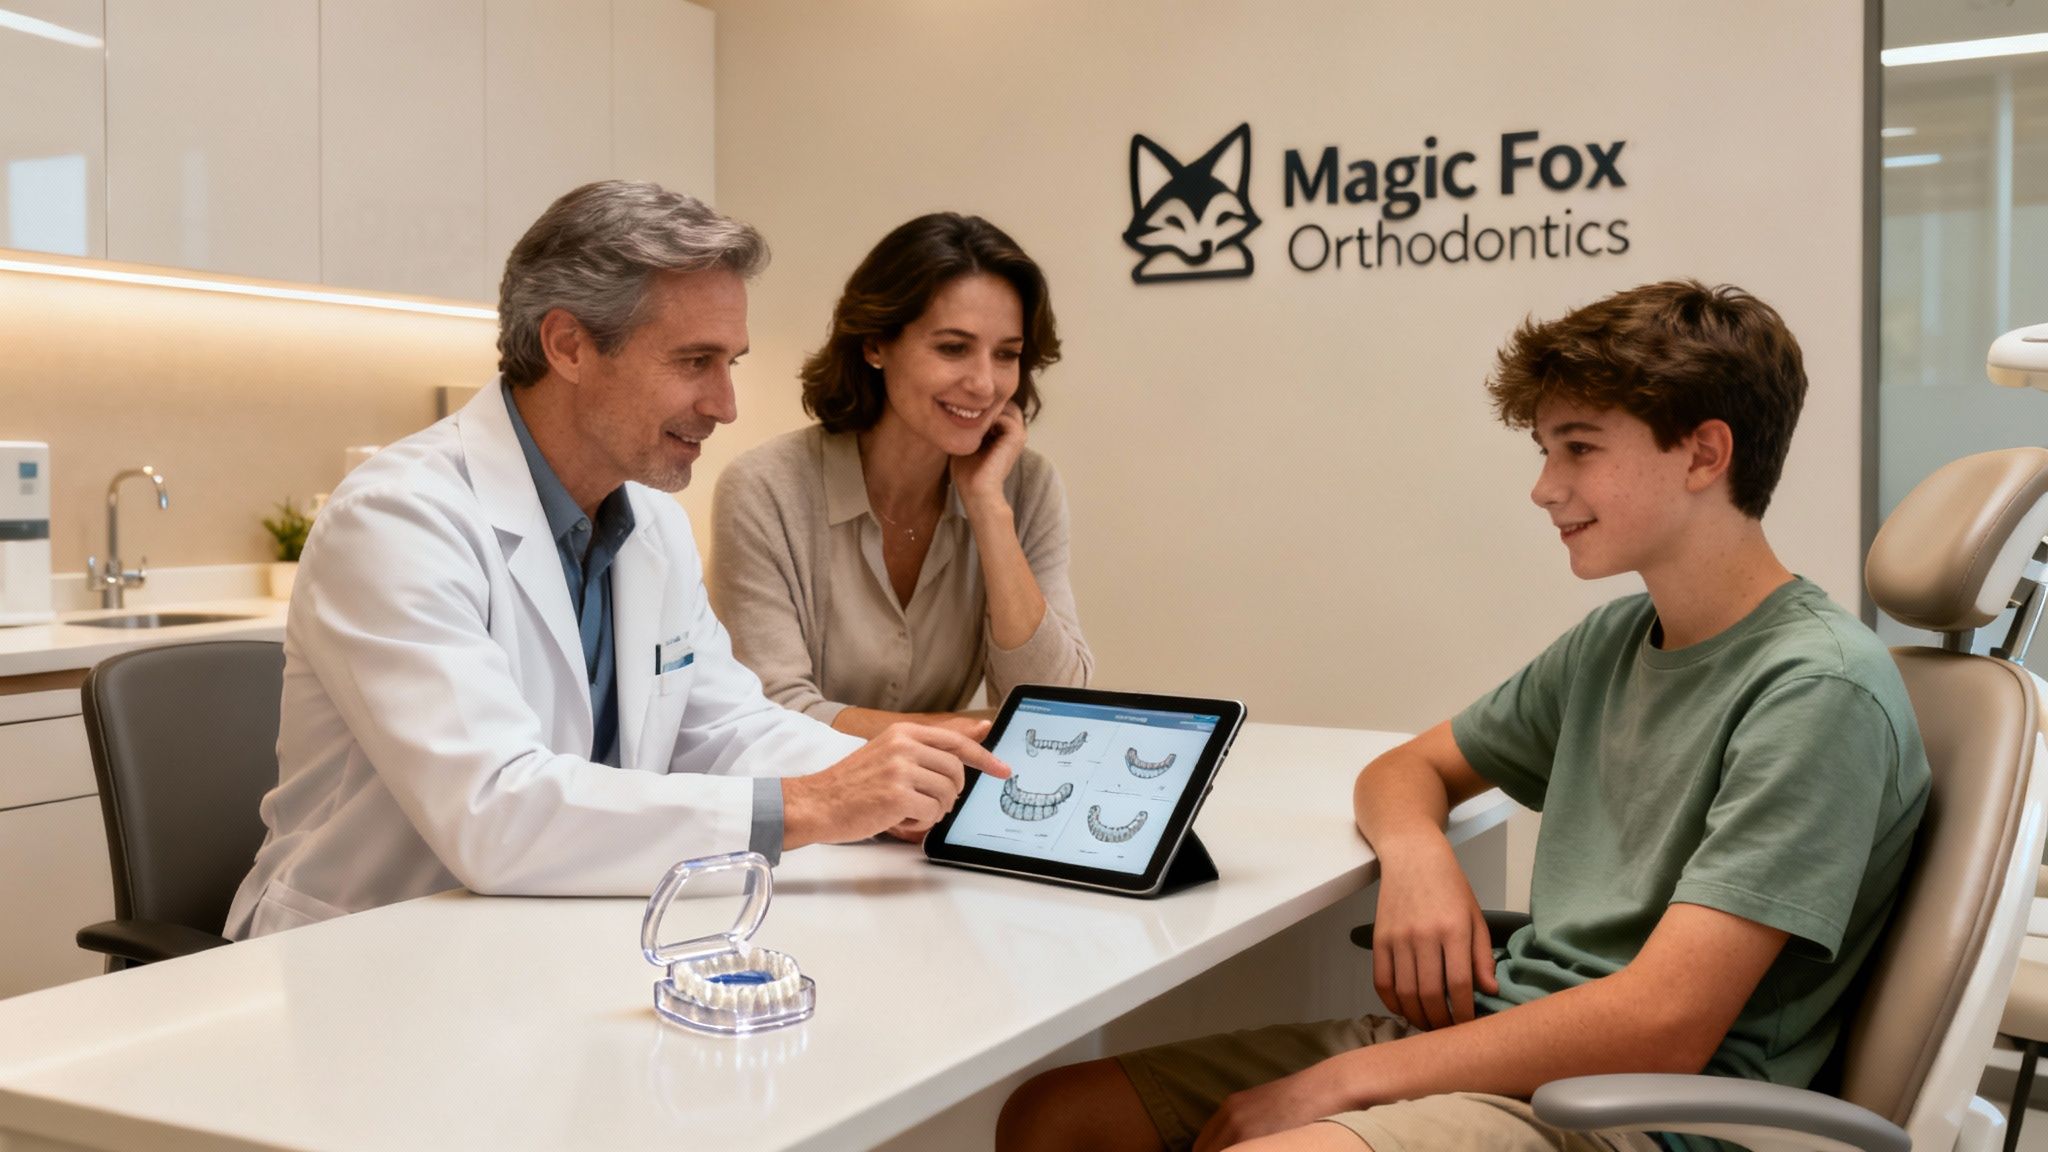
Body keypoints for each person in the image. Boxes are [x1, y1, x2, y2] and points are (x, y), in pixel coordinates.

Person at [996, 280, 1931, 1152]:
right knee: (1056, 1118)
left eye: (1580, 447)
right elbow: (1404, 771)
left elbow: (1666, 1024)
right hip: (1504, 1039)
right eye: (1544, 451)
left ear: (1704, 453)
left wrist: (1344, 1084)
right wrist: (1418, 859)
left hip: (1643, 1111)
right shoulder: (1616, 639)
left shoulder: (1818, 690)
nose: (1544, 487)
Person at [225, 182, 1007, 940]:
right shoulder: (398, 519)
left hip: (546, 938)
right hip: (367, 959)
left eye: (729, 361)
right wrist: (813, 806)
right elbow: (493, 811)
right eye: (694, 361)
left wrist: (907, 785)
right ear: (568, 345)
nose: (724, 404)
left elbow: (725, 730)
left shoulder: (652, 526)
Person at [710, 213, 1091, 740]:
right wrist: (972, 731)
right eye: (953, 348)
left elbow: (1059, 707)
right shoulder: (764, 489)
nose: (985, 384)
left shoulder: (1026, 488)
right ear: (875, 344)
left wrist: (987, 507)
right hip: (815, 805)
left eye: (1007, 354)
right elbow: (772, 711)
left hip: (947, 803)